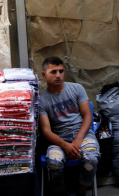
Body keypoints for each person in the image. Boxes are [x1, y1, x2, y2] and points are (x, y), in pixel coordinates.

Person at [38, 56, 100, 195]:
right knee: (54, 162)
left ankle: (82, 190)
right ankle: (60, 192)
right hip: (58, 139)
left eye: (61, 71)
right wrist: (65, 145)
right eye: (53, 72)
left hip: (82, 135)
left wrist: (78, 139)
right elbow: (46, 131)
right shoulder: (42, 101)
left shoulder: (77, 88)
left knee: (91, 158)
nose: (58, 75)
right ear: (44, 74)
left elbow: (88, 116)